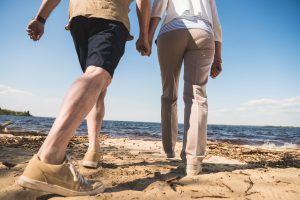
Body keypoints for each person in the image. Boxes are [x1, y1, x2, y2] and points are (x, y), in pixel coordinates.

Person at [18, 0, 150, 196]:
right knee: (98, 75)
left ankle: (93, 151)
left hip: (79, 16)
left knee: (96, 84)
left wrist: (41, 18)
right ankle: (49, 158)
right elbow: (143, 2)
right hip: (110, 13)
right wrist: (144, 35)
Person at [148, 0, 223, 176]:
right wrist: (218, 59)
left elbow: (157, 10)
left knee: (169, 93)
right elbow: (216, 24)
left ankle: (169, 149)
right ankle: (193, 161)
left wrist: (148, 37)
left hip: (171, 31)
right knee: (197, 96)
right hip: (203, 32)